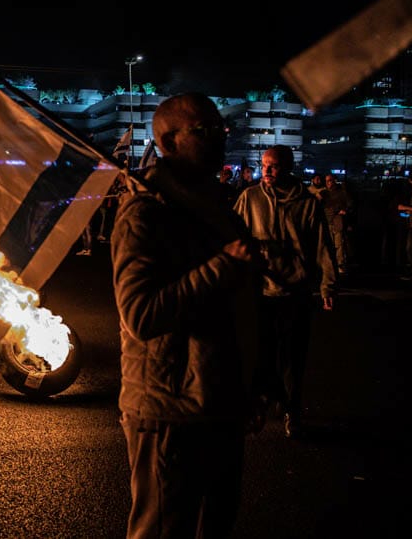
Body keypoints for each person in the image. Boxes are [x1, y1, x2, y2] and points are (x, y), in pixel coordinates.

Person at [111, 92, 263, 539]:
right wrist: (223, 266)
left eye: (220, 127)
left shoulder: (216, 208)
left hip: (220, 404)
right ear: (169, 141)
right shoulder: (145, 212)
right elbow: (140, 313)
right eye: (205, 129)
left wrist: (256, 377)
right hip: (169, 410)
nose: (219, 137)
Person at [234, 145, 337, 439]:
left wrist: (328, 284)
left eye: (274, 166)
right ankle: (264, 403)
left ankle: (293, 408)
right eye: (264, 165)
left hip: (296, 293)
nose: (267, 171)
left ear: (288, 168)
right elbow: (231, 236)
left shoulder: (307, 202)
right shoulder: (249, 198)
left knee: (293, 357)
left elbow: (322, 246)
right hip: (260, 293)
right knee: (260, 355)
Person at [321, 173, 353, 275]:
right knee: (328, 245)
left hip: (337, 221)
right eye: (327, 181)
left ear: (334, 181)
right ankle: (330, 264)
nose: (329, 183)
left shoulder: (341, 193)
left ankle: (340, 264)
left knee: (339, 244)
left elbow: (350, 204)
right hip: (326, 221)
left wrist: (344, 210)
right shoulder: (323, 193)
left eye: (330, 180)